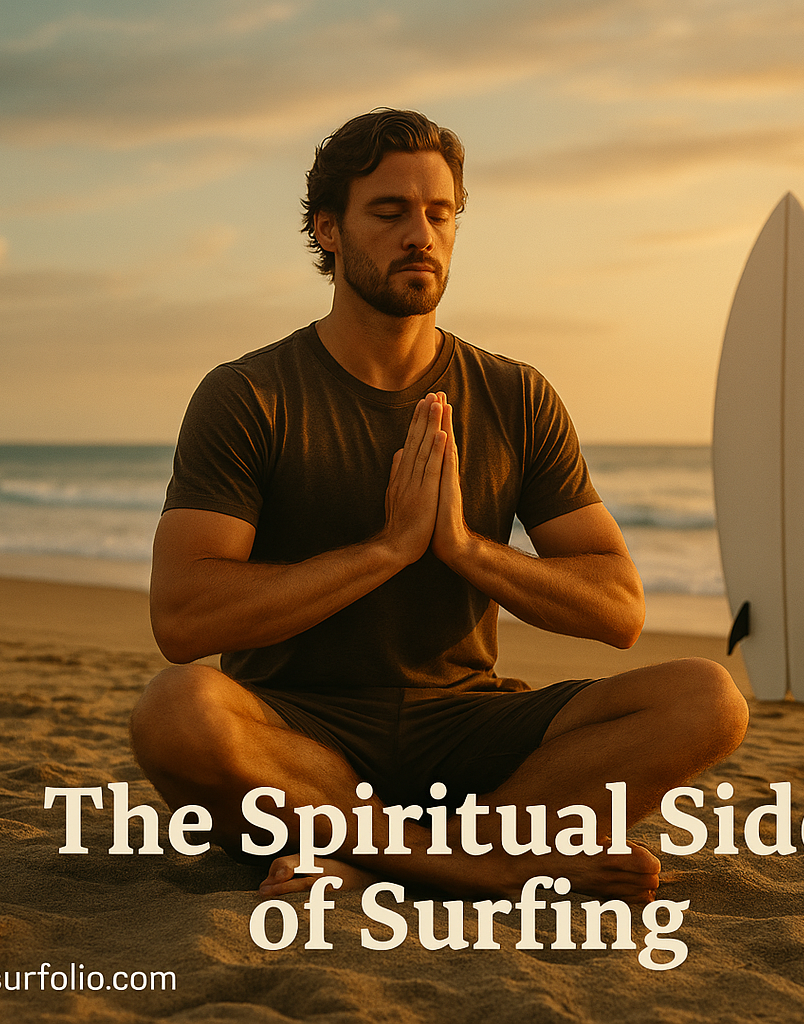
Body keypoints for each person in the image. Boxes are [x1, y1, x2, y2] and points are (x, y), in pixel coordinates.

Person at [130, 108, 748, 903]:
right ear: (328, 230)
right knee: (175, 711)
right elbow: (182, 619)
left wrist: (464, 549)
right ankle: (483, 871)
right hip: (299, 736)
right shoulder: (250, 394)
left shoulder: (514, 394)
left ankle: (383, 861)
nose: (419, 233)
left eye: (439, 212)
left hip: (467, 729)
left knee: (706, 698)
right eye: (389, 212)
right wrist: (383, 551)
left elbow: (619, 610)